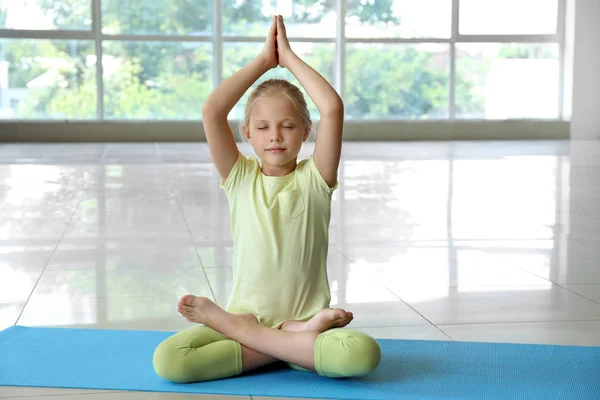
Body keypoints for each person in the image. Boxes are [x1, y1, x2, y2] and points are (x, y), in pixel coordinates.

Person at [153, 15, 381, 383]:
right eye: (262, 127)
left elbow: (333, 108)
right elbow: (212, 111)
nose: (275, 136)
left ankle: (269, 334)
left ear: (307, 131)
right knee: (171, 360)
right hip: (264, 320)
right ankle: (291, 342)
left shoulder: (315, 178)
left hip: (274, 323)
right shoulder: (240, 177)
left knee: (362, 354)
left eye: (288, 126)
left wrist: (288, 58)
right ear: (247, 133)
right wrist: (263, 62)